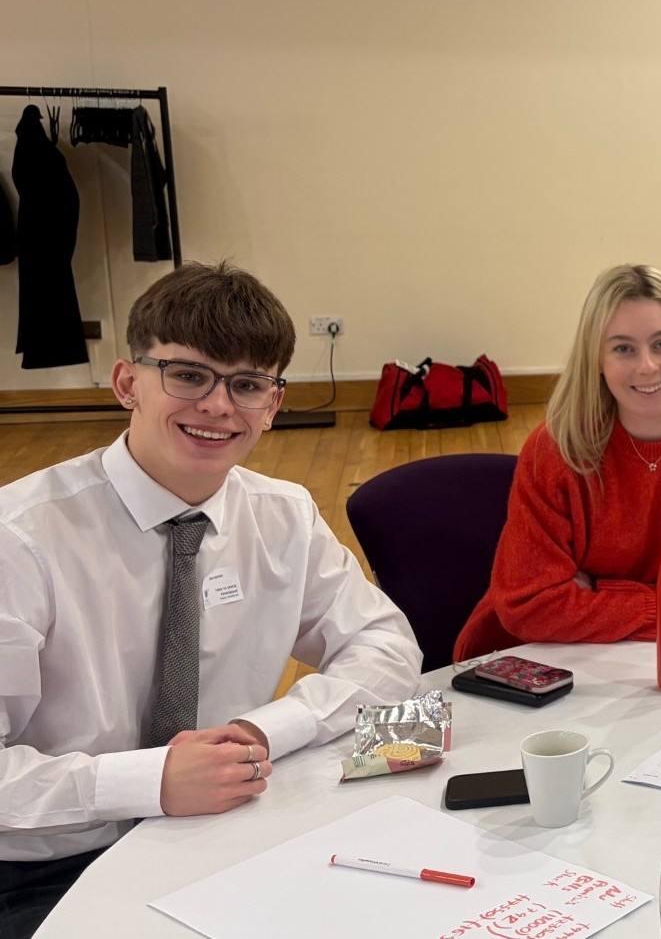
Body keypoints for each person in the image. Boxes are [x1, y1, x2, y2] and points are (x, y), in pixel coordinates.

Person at [0, 262, 423, 936]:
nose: (219, 406)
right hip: (53, 859)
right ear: (127, 382)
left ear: (273, 407)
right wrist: (147, 782)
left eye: (248, 384)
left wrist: (265, 731)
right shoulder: (20, 539)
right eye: (189, 375)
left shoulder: (282, 514)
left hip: (231, 824)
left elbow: (386, 646)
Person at [453, 264, 661, 659]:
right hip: (543, 663)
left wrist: (596, 591)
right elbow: (528, 606)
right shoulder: (557, 449)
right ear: (597, 360)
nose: (647, 367)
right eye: (623, 348)